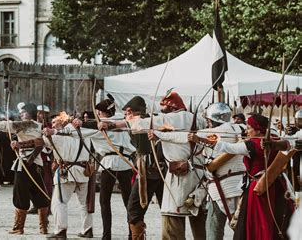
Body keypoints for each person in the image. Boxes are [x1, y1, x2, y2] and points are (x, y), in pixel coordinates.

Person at [108, 91, 207, 240]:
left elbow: (141, 123)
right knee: (196, 216)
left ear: (172, 107)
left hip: (179, 178)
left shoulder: (174, 118)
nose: (162, 111)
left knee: (171, 220)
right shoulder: (198, 119)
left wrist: (111, 124)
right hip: (197, 176)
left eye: (164, 107)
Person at [212, 113, 295, 239]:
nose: (247, 130)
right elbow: (288, 144)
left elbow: (228, 147)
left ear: (258, 130)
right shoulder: (275, 138)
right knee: (276, 220)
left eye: (249, 128)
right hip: (278, 185)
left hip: (259, 188)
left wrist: (205, 141)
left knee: (258, 223)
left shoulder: (252, 145)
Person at [0, 103, 50, 235]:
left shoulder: (26, 124)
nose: (21, 114)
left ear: (29, 113)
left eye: (23, 113)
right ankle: (43, 227)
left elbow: (9, 126)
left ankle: (19, 228)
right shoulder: (37, 125)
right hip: (36, 165)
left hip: (25, 165)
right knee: (39, 195)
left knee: (21, 195)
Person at [75, 97, 136, 240]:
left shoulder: (103, 125)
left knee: (104, 201)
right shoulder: (124, 121)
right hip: (125, 162)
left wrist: (78, 124)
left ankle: (106, 236)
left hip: (109, 163)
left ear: (101, 113)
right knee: (128, 201)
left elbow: (81, 131)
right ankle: (132, 234)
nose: (97, 115)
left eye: (98, 112)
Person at [186, 103, 245, 240]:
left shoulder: (206, 133)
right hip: (242, 187)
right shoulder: (242, 128)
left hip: (220, 188)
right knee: (243, 229)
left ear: (211, 119)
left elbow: (190, 137)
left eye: (208, 120)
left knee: (213, 231)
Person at [119, 96, 165, 239]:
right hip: (159, 170)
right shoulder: (150, 120)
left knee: (133, 210)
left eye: (127, 113)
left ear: (131, 112)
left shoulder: (142, 123)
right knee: (167, 209)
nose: (125, 116)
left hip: (150, 170)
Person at [42, 113, 93, 238]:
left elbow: (47, 143)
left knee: (59, 202)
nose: (52, 125)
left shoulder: (57, 135)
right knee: (84, 203)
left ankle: (60, 231)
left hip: (67, 172)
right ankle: (87, 229)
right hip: (83, 172)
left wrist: (47, 134)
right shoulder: (85, 133)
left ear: (62, 123)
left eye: (55, 122)